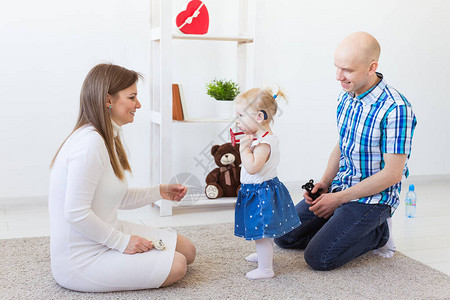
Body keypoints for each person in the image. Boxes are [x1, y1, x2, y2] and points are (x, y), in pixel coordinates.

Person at [274, 32, 417, 271]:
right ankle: (340, 224)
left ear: (372, 67)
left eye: (347, 70)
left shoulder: (397, 109)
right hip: (341, 189)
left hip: (373, 199)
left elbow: (392, 175)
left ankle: (378, 234)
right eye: (337, 67)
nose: (339, 76)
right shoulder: (346, 97)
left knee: (318, 258)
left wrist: (337, 200)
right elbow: (342, 145)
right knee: (283, 237)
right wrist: (325, 184)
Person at [48, 63, 196, 292]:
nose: (138, 104)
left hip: (104, 233)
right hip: (82, 259)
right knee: (177, 265)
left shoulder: (104, 136)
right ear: (108, 100)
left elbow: (115, 197)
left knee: (188, 250)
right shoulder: (90, 144)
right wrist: (122, 242)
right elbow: (75, 213)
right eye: (132, 97)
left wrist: (160, 191)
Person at [234, 87, 301, 279]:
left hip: (260, 193)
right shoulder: (261, 138)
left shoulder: (263, 144)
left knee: (262, 231)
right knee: (265, 229)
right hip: (261, 190)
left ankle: (266, 268)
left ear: (259, 117)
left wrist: (243, 150)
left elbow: (253, 167)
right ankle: (265, 255)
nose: (237, 122)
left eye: (240, 116)